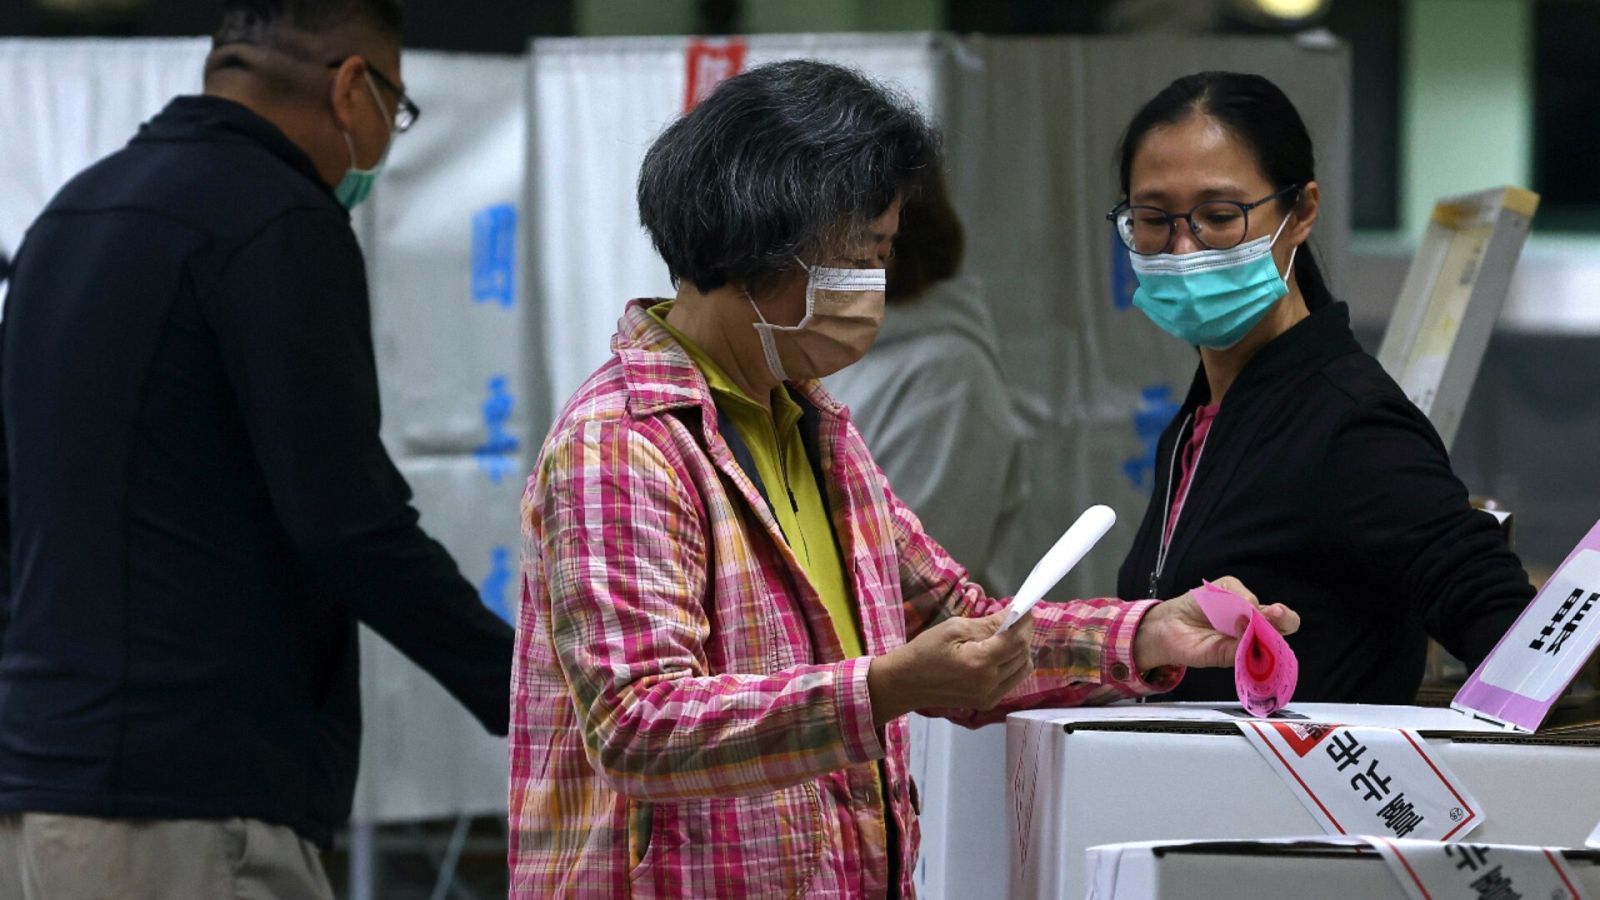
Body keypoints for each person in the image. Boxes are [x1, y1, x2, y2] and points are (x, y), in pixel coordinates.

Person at [510, 60, 1298, 899]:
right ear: (758, 243)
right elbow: (639, 725)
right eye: (863, 256)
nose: (876, 288)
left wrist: (1146, 635)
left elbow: (965, 622)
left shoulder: (813, 426)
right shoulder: (624, 445)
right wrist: (886, 687)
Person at [0, 2, 513, 897]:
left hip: (39, 781)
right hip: (185, 805)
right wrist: (526, 686)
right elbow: (346, 518)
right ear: (352, 88)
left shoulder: (71, 215)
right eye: (395, 109)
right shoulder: (279, 220)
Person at [1110, 71, 1534, 706]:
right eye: (1152, 218)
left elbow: (1509, 632)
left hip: (1308, 775)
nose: (1183, 248)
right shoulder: (1202, 420)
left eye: (1219, 216)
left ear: (1301, 212)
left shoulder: (1349, 421)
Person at [823, 169, 1025, 898]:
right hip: (830, 727)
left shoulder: (945, 373)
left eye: (866, 248)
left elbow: (914, 599)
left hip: (908, 728)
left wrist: (1140, 635)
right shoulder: (808, 373)